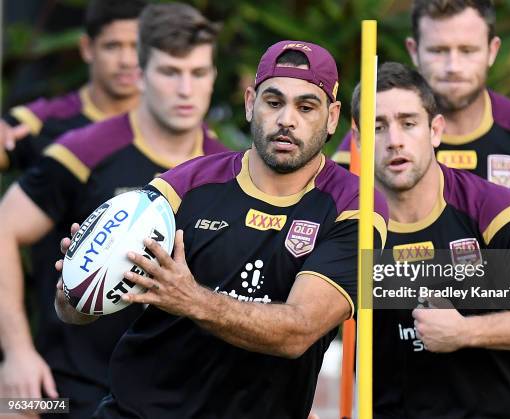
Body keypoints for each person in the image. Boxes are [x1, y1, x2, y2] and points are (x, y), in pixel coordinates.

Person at [55, 39, 388, 418]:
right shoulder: (186, 184)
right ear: (250, 103)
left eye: (306, 106)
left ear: (332, 117)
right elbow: (72, 311)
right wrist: (77, 285)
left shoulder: (353, 206)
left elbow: (299, 331)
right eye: (273, 102)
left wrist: (191, 298)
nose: (286, 120)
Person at [0, 4, 227, 417]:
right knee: (9, 405)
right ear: (140, 74)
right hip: (67, 393)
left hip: (175, 399)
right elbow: (4, 227)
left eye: (198, 74)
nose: (185, 90)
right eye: (169, 73)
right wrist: (16, 352)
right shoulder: (84, 148)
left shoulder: (227, 171)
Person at [351, 62, 510, 418]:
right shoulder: (348, 225)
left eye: (408, 123)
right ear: (358, 140)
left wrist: (465, 331)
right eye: (378, 127)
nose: (394, 141)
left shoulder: (491, 210)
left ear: (435, 130)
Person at [335, 0, 510, 291]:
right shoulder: (363, 146)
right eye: (438, 51)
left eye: (467, 50)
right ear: (414, 51)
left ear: (492, 50)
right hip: (392, 319)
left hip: (502, 328)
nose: (453, 67)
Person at [0, 0, 147, 172]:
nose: (126, 61)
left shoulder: (175, 120)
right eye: (112, 46)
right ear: (87, 48)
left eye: (137, 47)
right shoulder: (38, 121)